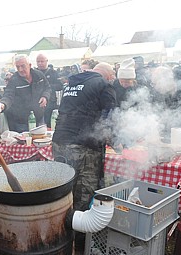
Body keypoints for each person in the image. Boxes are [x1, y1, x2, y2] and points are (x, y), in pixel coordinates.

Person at [52, 62, 117, 252]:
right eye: (112, 75)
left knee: (64, 190)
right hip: (83, 147)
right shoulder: (104, 85)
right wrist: (119, 141)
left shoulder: (71, 84)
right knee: (83, 195)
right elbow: (111, 117)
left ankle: (59, 233)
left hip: (59, 142)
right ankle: (80, 243)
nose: (112, 79)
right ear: (107, 75)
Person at [0, 54, 51, 132]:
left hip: (39, 119)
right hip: (21, 123)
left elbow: (47, 88)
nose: (20, 69)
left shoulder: (39, 75)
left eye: (23, 66)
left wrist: (45, 97)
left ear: (30, 65)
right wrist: (3, 104)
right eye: (18, 67)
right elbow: (8, 95)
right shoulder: (14, 80)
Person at [35, 54, 63, 128]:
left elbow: (60, 86)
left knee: (50, 124)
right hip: (36, 103)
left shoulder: (53, 73)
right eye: (38, 62)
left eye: (42, 61)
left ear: (46, 61)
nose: (40, 63)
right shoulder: (34, 73)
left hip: (51, 102)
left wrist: (48, 87)